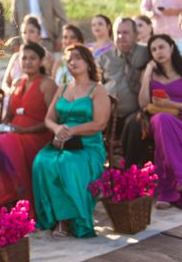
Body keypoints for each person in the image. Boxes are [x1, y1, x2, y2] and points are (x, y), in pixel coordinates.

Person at [32, 44, 110, 238]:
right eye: (69, 60)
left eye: (77, 58)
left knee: (67, 163)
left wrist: (71, 131)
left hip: (88, 145)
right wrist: (58, 129)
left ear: (88, 61)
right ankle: (56, 218)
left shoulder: (97, 90)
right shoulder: (63, 88)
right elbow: (49, 119)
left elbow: (99, 124)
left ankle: (72, 219)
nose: (72, 62)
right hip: (62, 141)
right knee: (42, 161)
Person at [0, 42, 56, 210]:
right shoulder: (18, 83)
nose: (28, 62)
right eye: (24, 58)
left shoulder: (48, 84)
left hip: (36, 136)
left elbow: (51, 120)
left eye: (33, 58)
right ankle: (2, 194)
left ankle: (19, 196)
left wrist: (23, 130)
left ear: (40, 61)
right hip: (13, 134)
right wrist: (2, 126)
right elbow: (10, 114)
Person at [139, 34, 182, 209]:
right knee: (161, 120)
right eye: (153, 49)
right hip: (159, 119)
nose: (158, 52)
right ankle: (180, 178)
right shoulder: (149, 73)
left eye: (162, 47)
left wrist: (170, 103)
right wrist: (147, 75)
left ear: (172, 48)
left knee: (163, 124)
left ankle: (168, 190)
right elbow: (143, 104)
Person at [98, 17, 151, 167]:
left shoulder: (146, 52)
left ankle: (129, 171)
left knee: (134, 124)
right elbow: (98, 85)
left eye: (126, 32)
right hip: (109, 112)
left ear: (136, 34)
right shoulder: (106, 57)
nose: (121, 36)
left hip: (137, 112)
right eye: (118, 33)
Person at [2, 16, 54, 94]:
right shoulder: (16, 56)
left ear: (39, 34)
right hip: (13, 96)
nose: (27, 36)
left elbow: (51, 82)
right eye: (24, 32)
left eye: (31, 32)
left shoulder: (46, 57)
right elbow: (5, 83)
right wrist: (10, 92)